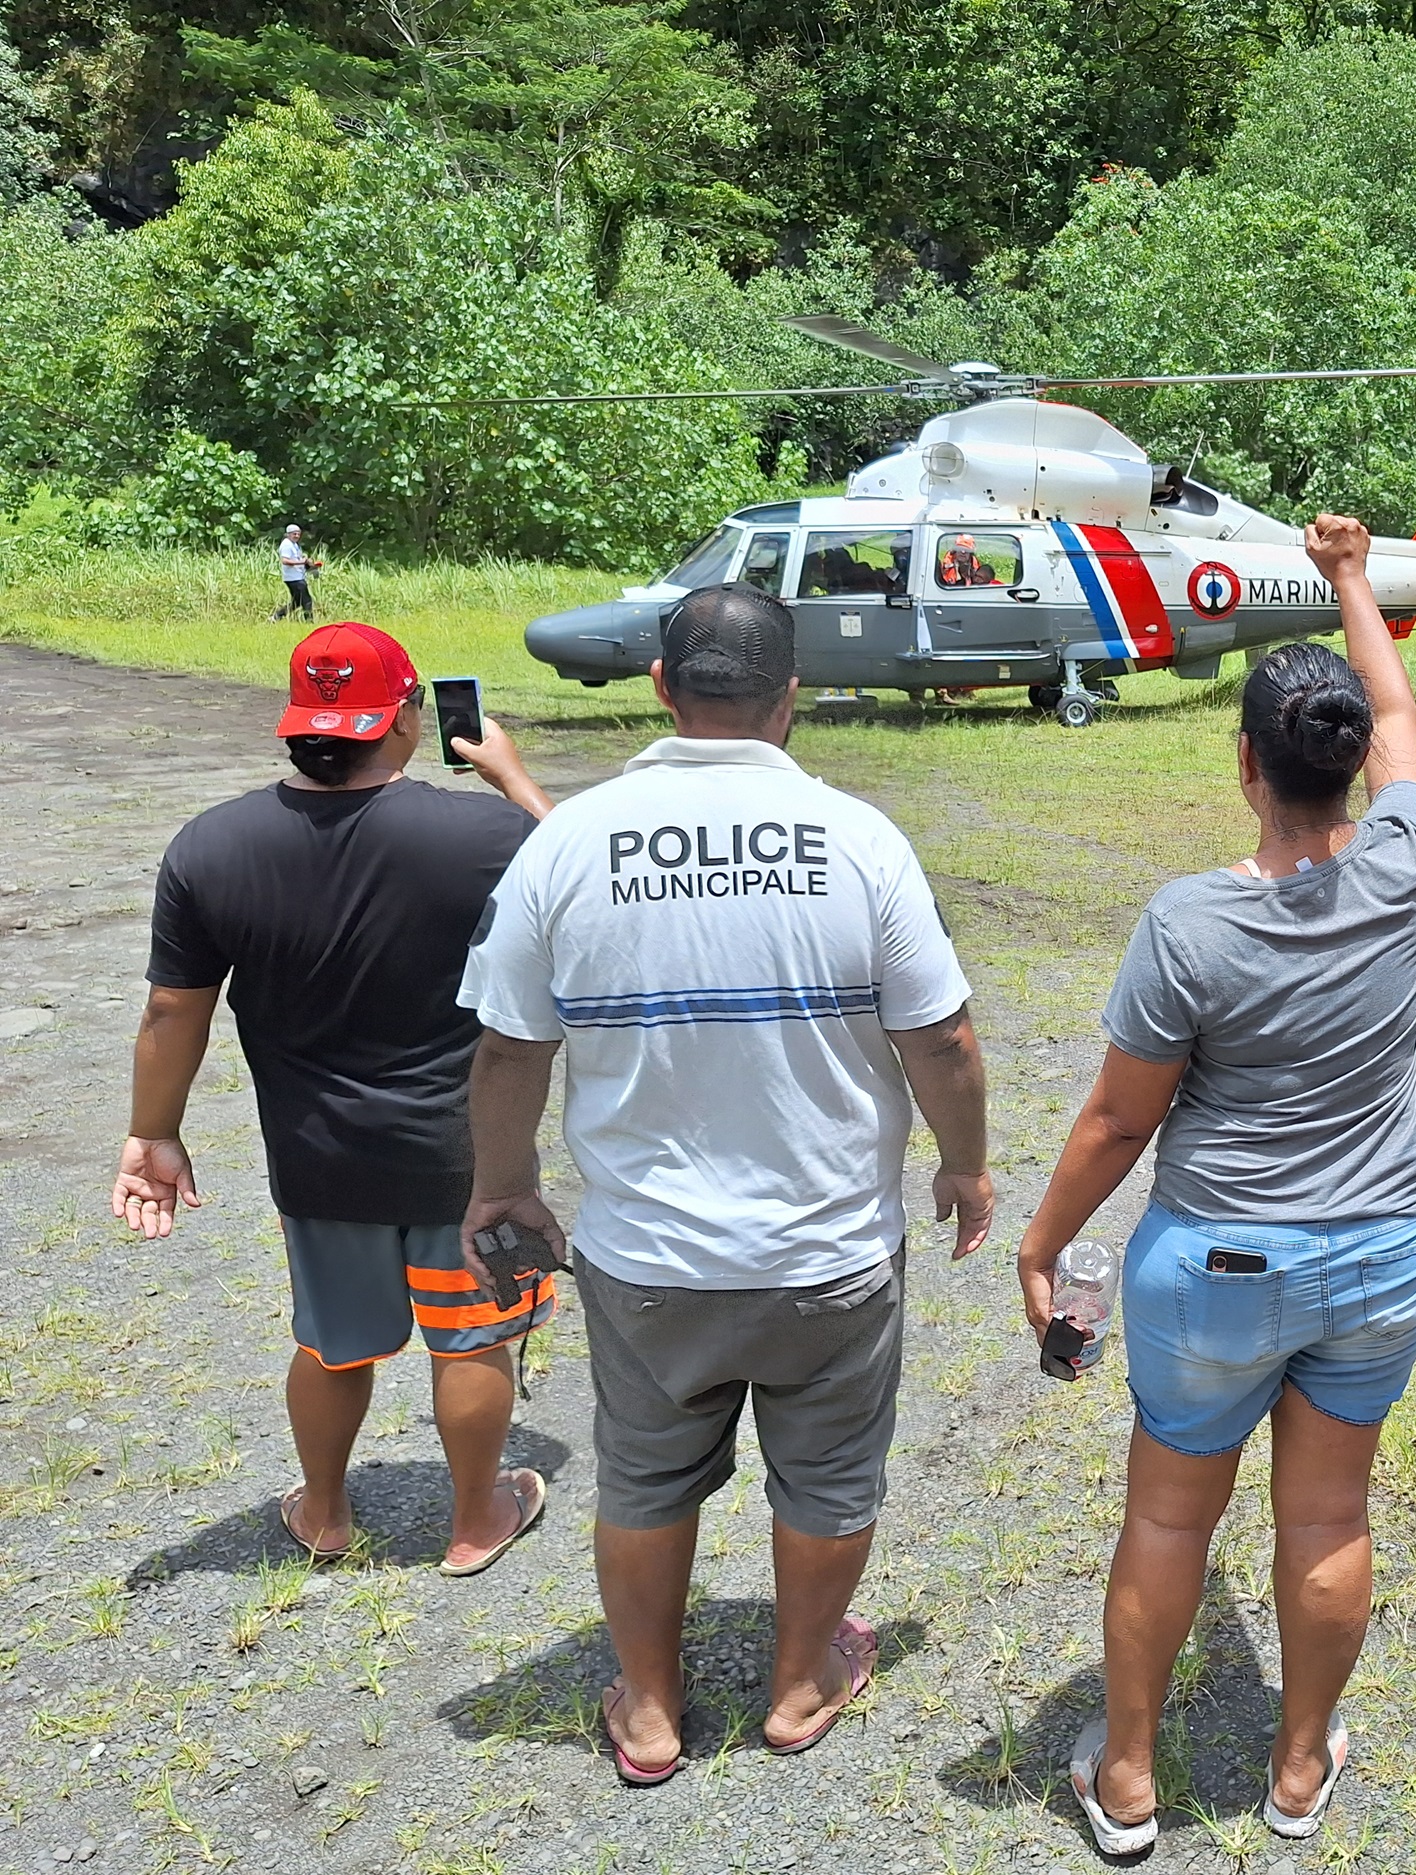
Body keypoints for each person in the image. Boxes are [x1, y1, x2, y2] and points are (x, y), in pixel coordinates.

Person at [457, 581, 995, 1787]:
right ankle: (800, 1683)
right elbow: (944, 1039)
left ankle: (648, 1708)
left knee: (644, 1475)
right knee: (831, 1472)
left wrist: (504, 1187)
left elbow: (506, 1047)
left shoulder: (567, 840)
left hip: (648, 1262)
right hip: (830, 1256)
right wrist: (963, 1166)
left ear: (659, 686)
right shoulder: (859, 839)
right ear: (790, 699)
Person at [1016, 514, 1416, 1855]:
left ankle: (1131, 1780)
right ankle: (1302, 1766)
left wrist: (1042, 1246)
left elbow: (1114, 1119)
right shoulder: (1407, 861)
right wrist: (1354, 582)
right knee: (1328, 1511)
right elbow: (1398, 711)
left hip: (1218, 1264)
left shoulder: (1192, 921)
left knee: (1167, 1511)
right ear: (1351, 770)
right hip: (1384, 1254)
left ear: (1247, 763)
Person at [112, 621, 558, 1576]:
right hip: (464, 1159)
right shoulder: (482, 834)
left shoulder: (211, 848)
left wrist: (154, 1131)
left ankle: (323, 1509)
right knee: (472, 1338)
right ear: (403, 718)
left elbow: (169, 1008)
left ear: (297, 723)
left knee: (332, 1344)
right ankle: (475, 1520)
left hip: (318, 1161)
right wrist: (514, 779)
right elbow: (581, 882)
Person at [272, 524, 320, 621]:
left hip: (297, 577)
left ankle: (277, 616)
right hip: (293, 578)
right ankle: (309, 621)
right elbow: (284, 561)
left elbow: (297, 559)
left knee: (297, 602)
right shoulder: (286, 545)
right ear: (288, 534)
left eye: (298, 534)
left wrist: (308, 563)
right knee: (307, 600)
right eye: (294, 534)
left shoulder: (294, 545)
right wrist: (302, 562)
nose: (297, 536)